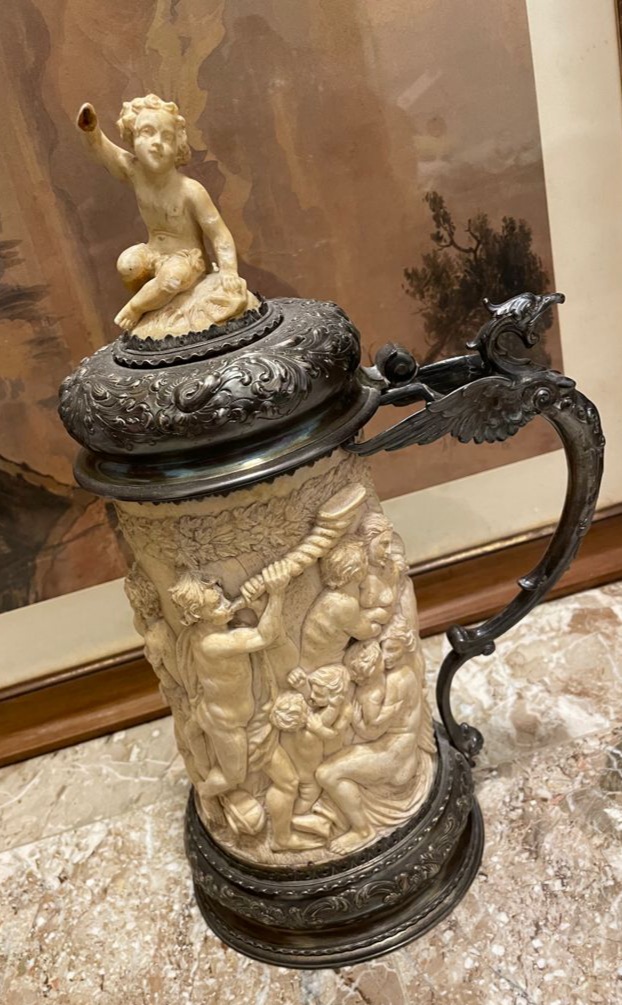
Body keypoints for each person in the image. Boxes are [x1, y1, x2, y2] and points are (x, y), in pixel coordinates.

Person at [76, 94, 248, 330]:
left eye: (166, 137)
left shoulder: (190, 191)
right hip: (154, 251)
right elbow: (101, 150)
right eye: (147, 132)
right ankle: (156, 304)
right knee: (127, 265)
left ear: (178, 147)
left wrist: (228, 272)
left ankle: (136, 308)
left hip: (188, 258)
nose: (157, 142)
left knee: (171, 280)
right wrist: (90, 130)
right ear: (132, 136)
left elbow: (219, 234)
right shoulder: (135, 173)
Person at [170, 561, 290, 806]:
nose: (226, 604)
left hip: (228, 714)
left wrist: (257, 607)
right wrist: (276, 593)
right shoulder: (213, 643)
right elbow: (265, 636)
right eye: (216, 604)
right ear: (197, 615)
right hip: (226, 723)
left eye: (223, 597)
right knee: (234, 776)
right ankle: (206, 792)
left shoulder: (207, 632)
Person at [300, 537, 390, 670]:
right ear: (357, 572)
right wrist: (377, 618)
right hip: (324, 664)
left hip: (311, 657)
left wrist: (370, 615)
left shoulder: (331, 596)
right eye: (364, 561)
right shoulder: (345, 603)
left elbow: (352, 620)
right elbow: (364, 632)